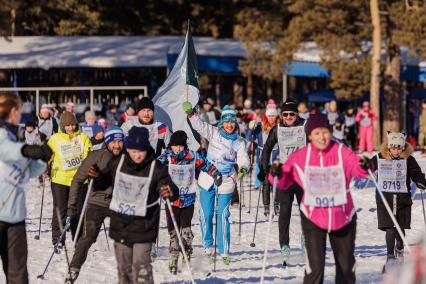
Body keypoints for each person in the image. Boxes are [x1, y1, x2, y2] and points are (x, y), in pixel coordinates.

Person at [269, 113, 370, 284]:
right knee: (315, 268)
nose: (321, 137)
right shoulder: (301, 156)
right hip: (313, 217)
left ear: (330, 132)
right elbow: (284, 180)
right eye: (316, 133)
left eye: (324, 132)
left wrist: (365, 165)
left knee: (345, 268)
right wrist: (275, 174)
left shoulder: (341, 152)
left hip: (342, 216)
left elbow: (357, 168)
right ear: (309, 136)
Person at [95, 126, 179, 283]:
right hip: (121, 226)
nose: (137, 155)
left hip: (144, 227)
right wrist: (97, 176)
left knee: (141, 267)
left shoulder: (156, 167)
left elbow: (168, 185)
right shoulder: (118, 163)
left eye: (141, 151)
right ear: (127, 149)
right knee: (124, 269)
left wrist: (168, 190)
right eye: (133, 151)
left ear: (147, 148)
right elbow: (103, 181)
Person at [183, 103, 250, 264]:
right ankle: (207, 245)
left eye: (232, 122)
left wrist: (243, 169)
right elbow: (199, 125)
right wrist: (191, 114)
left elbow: (243, 158)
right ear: (222, 123)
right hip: (208, 177)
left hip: (226, 179)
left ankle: (224, 250)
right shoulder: (214, 133)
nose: (229, 124)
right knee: (206, 214)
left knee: (223, 215)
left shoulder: (239, 141)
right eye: (226, 121)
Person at [0, 92, 50, 283]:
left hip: (15, 217)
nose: (20, 115)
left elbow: (26, 169)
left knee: (18, 274)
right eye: (19, 111)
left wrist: (43, 158)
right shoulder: (4, 137)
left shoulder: (14, 136)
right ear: (13, 111)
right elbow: (6, 150)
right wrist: (26, 150)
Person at [65, 126, 125, 282]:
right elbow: (77, 180)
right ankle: (74, 268)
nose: (117, 145)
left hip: (119, 203)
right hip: (96, 203)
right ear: (107, 142)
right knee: (87, 237)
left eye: (120, 141)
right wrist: (72, 206)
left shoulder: (128, 158)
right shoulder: (94, 156)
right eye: (114, 142)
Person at [157, 130, 221, 274]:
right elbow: (154, 167)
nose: (177, 149)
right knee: (173, 232)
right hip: (171, 202)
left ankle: (186, 254)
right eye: (174, 146)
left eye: (180, 146)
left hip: (188, 201)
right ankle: (173, 256)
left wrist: (215, 173)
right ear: (170, 146)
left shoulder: (192, 156)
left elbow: (205, 164)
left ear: (184, 145)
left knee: (186, 232)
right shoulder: (166, 157)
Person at [369, 131, 426, 270]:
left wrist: (420, 181)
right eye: (393, 148)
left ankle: (399, 248)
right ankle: (390, 255)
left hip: (402, 199)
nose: (396, 151)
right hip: (385, 198)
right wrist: (365, 164)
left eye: (398, 148)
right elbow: (369, 166)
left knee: (399, 227)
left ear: (403, 148)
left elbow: (416, 173)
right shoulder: (380, 157)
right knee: (389, 227)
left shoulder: (408, 159)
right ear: (388, 147)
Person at [259, 99, 306, 261]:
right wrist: (264, 170)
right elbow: (266, 149)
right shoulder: (277, 129)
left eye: (291, 114)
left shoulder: (306, 126)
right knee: (284, 211)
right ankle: (284, 245)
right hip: (285, 174)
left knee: (306, 210)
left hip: (303, 174)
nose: (288, 117)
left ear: (297, 114)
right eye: (285, 114)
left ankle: (306, 238)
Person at [47, 111, 92, 249]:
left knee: (78, 211)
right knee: (60, 209)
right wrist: (45, 166)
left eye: (72, 125)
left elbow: (88, 155)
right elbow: (48, 155)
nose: (70, 128)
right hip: (60, 180)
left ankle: (78, 237)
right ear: (62, 126)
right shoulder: (55, 139)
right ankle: (58, 238)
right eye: (67, 125)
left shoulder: (83, 138)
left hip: (79, 180)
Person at [246, 100, 280, 216]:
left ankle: (276, 204)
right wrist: (250, 128)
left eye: (273, 116)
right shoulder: (260, 126)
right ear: (266, 116)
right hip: (263, 159)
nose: (271, 118)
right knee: (265, 183)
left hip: (276, 158)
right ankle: (266, 207)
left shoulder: (279, 127)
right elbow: (249, 138)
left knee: (276, 183)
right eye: (269, 116)